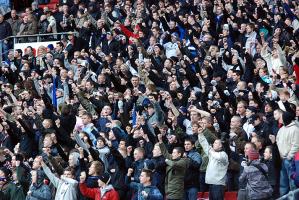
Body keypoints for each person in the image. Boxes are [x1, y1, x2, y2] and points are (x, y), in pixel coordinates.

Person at [197, 129, 228, 200]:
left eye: (216, 143)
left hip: (218, 184)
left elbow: (218, 157)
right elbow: (205, 144)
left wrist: (211, 151)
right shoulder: (212, 153)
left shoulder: (223, 154)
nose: (213, 144)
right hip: (211, 183)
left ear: (221, 146)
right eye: (214, 142)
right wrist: (200, 135)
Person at [158, 134, 189, 200]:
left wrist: (166, 160)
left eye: (174, 153)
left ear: (179, 154)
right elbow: (165, 153)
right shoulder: (172, 158)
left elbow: (174, 165)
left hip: (176, 190)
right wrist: (160, 141)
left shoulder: (183, 161)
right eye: (172, 152)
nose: (172, 154)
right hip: (169, 189)